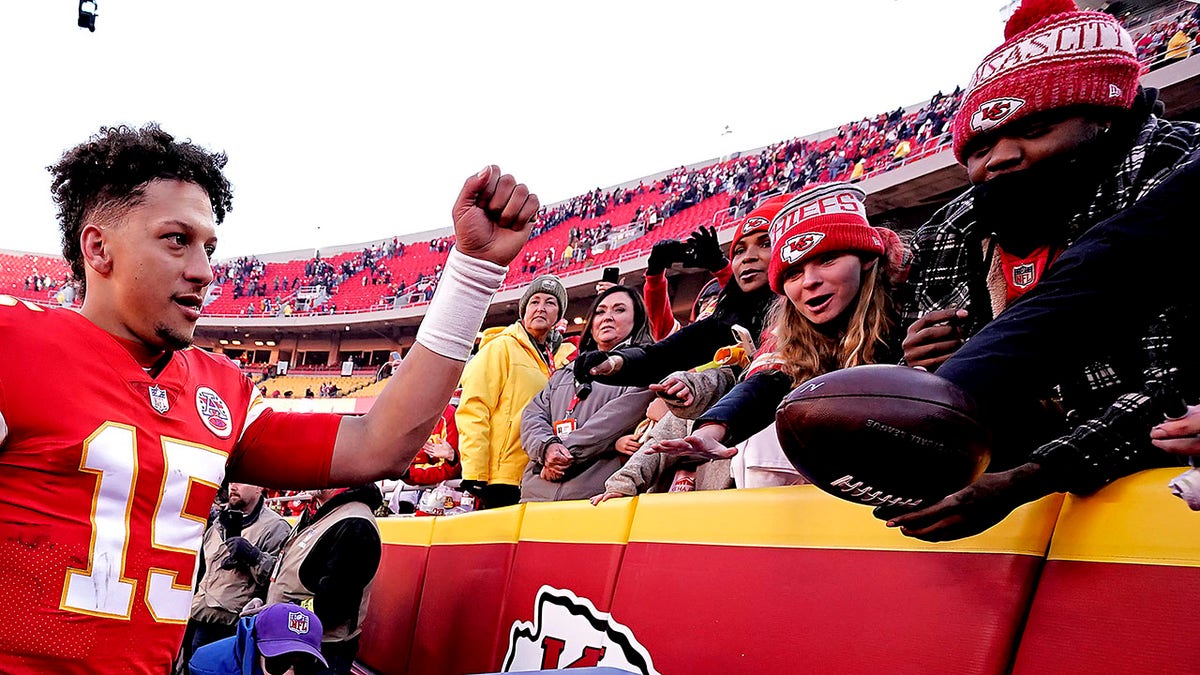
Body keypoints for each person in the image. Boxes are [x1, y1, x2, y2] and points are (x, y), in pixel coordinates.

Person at [0, 124, 537, 671]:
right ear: (99, 248)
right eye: (176, 239)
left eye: (209, 246)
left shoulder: (220, 389)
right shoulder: (14, 345)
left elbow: (377, 446)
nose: (204, 270)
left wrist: (474, 271)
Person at [887, 0, 1200, 542]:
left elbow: (1174, 394)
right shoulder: (950, 229)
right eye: (980, 146)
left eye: (1036, 127)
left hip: (1146, 509)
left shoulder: (1170, 167)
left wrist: (1029, 477)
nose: (1001, 157)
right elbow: (942, 388)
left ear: (1106, 118)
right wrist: (916, 369)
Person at [646, 183, 907, 464]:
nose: (809, 281)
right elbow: (769, 379)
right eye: (793, 272)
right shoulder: (790, 321)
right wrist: (713, 429)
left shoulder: (918, 290)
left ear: (866, 256)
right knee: (758, 452)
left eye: (827, 259)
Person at [574, 194, 792, 388]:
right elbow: (665, 356)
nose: (747, 257)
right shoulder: (728, 320)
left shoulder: (809, 315)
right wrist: (615, 362)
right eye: (740, 250)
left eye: (765, 244)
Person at [519, 285, 656, 502]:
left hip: (595, 499)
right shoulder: (565, 372)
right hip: (537, 493)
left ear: (637, 320)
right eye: (600, 311)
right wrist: (546, 449)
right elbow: (532, 416)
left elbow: (607, 426)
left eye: (619, 310)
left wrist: (559, 457)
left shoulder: (644, 370)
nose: (607, 317)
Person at [457, 274, 572, 509]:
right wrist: (475, 470)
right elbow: (474, 407)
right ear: (524, 310)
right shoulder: (501, 348)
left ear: (558, 315)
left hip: (539, 473)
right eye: (534, 301)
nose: (541, 308)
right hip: (500, 476)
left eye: (550, 302)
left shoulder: (557, 359)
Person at [265, 485, 383, 675]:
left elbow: (334, 606)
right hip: (292, 641)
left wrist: (277, 613)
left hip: (319, 652)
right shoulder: (318, 510)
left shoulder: (355, 524)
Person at [187, 482, 292, 658]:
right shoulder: (220, 521)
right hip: (198, 616)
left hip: (233, 627)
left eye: (242, 481)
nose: (233, 486)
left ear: (260, 487)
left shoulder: (275, 527)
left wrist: (253, 556)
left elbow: (279, 580)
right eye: (232, 481)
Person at [642, 226, 733, 340]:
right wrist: (654, 275)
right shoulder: (684, 340)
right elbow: (658, 323)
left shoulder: (741, 326)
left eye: (717, 299)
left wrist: (721, 266)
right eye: (705, 301)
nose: (710, 304)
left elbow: (744, 301)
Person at [189, 602, 326, 675]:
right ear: (254, 646)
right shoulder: (210, 669)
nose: (289, 674)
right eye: (278, 664)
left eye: (304, 667)